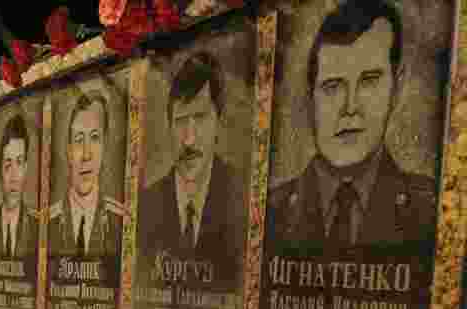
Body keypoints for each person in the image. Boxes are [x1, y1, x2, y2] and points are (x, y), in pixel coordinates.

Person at [266, 0, 436, 252]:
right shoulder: (271, 212)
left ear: (397, 88)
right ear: (311, 96)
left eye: (369, 81)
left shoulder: (430, 212)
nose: (350, 107)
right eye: (332, 86)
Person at [137, 52, 244, 290]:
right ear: (169, 126)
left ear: (219, 121)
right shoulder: (146, 205)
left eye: (201, 118)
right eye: (181, 121)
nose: (189, 139)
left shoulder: (242, 195)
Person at [48, 92, 124, 258]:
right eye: (79, 139)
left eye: (95, 138)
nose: (86, 154)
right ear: (68, 151)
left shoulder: (120, 221)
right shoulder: (46, 223)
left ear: (104, 147)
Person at [0, 115, 38, 260]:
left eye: (19, 163)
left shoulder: (37, 226)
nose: (14, 177)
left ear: (26, 167)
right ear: (0, 169)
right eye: (8, 165)